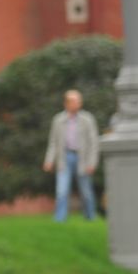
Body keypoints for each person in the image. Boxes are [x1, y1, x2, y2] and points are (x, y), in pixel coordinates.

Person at [42, 89, 100, 223]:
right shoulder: (58, 120)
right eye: (74, 101)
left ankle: (90, 217)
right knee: (61, 190)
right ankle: (60, 219)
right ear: (66, 103)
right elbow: (53, 142)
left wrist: (92, 163)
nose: (78, 104)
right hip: (65, 158)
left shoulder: (87, 119)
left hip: (82, 159)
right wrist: (49, 160)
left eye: (79, 101)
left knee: (86, 191)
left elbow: (94, 143)